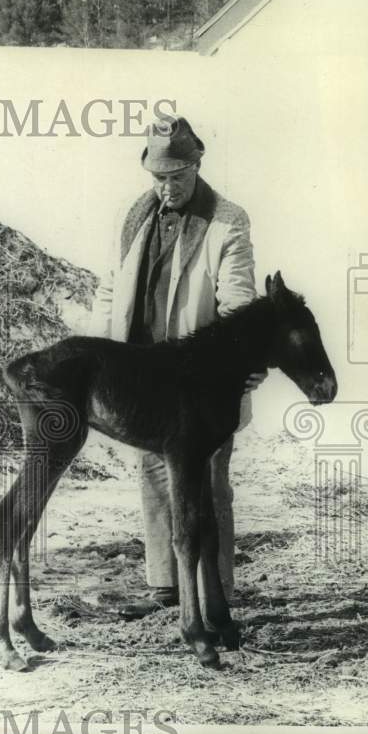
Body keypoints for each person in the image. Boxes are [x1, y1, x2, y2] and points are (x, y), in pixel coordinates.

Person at [90, 116, 266, 619]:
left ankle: (217, 592)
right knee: (151, 471)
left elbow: (238, 301)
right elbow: (110, 287)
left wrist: (244, 362)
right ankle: (166, 585)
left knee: (208, 481)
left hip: (201, 382)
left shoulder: (228, 221)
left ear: (197, 165)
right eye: (159, 177)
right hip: (143, 372)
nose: (167, 188)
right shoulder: (134, 216)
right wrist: (104, 357)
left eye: (177, 177)